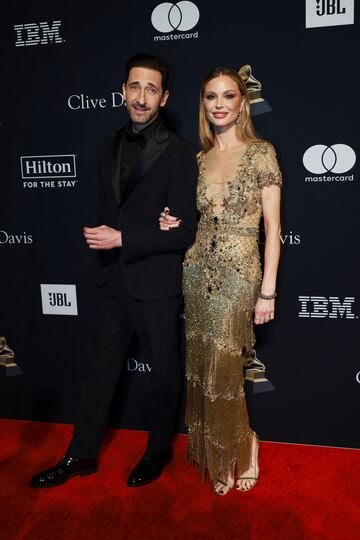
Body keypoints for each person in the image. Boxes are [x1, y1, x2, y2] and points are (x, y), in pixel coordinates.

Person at [31, 53, 198, 489]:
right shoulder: (108, 143)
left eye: (151, 89)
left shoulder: (181, 155)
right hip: (110, 281)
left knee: (164, 373)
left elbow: (183, 233)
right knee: (98, 372)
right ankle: (80, 455)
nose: (141, 97)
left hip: (155, 284)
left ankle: (158, 450)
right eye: (134, 87)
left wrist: (126, 238)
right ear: (123, 90)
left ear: (164, 98)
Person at [159, 66, 282, 495]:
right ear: (203, 104)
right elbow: (192, 221)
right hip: (196, 270)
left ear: (242, 103)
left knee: (225, 368)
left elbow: (273, 230)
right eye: (211, 97)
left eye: (228, 96)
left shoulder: (261, 152)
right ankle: (216, 450)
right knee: (202, 368)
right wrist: (170, 221)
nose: (219, 104)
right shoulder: (197, 160)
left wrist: (267, 291)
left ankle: (244, 445)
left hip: (239, 271)